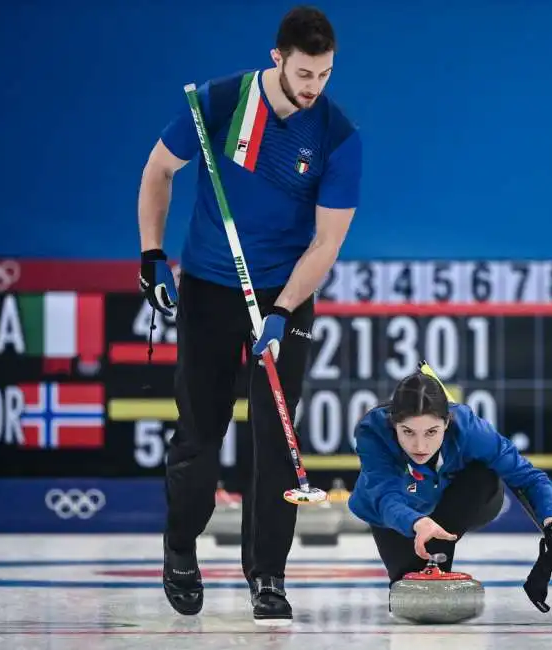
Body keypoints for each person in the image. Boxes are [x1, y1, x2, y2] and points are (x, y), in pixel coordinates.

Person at [136, 5, 362, 624]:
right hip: (209, 288)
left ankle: (267, 573)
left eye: (325, 74)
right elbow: (159, 171)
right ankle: (180, 547)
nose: (315, 87)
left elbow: (327, 244)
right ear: (277, 58)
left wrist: (284, 310)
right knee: (199, 437)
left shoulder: (337, 137)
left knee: (277, 444)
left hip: (283, 296)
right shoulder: (220, 102)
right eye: (305, 73)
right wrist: (152, 255)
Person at [347, 371, 552, 613]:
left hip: (463, 502)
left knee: (483, 474)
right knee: (409, 596)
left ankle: (438, 558)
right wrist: (416, 522)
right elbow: (385, 498)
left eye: (431, 432)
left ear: (446, 423)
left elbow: (530, 478)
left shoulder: (470, 430)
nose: (420, 446)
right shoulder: (372, 432)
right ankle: (426, 561)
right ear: (393, 424)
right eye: (408, 432)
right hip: (396, 514)